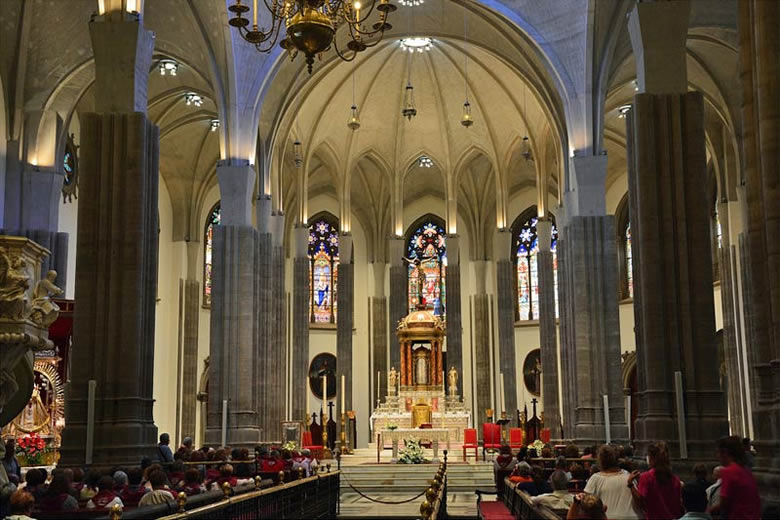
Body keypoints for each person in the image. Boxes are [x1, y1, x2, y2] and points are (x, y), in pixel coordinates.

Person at [707, 435, 760, 520]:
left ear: (724, 452)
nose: (717, 456)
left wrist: (706, 512)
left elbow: (724, 502)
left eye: (718, 452)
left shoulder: (729, 471)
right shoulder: (746, 471)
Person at [628, 441, 682, 520]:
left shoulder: (646, 477)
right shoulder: (675, 479)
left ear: (652, 458)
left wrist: (630, 484)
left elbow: (640, 503)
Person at [584, 445, 641, 520]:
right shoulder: (628, 476)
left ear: (600, 460)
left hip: (607, 516)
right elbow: (639, 500)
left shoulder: (595, 478)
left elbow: (586, 504)